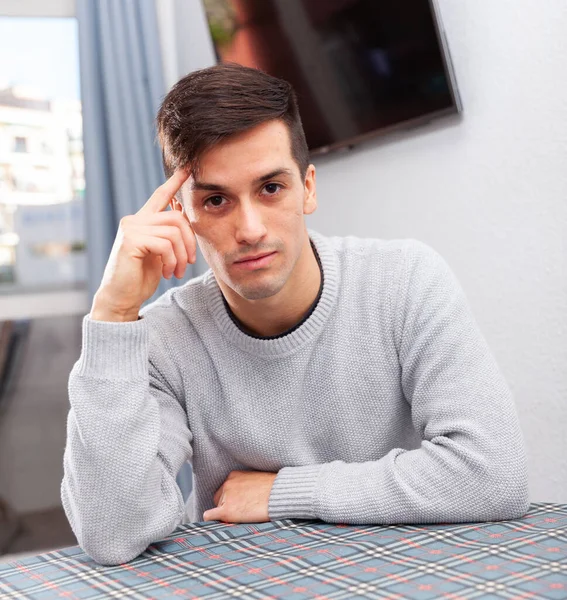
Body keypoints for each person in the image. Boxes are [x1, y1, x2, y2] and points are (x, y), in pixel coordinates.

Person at [61, 63, 529, 566]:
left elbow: (494, 473)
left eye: (270, 188)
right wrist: (112, 314)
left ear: (307, 187)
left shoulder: (405, 281)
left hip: (405, 572)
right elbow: (113, 533)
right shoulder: (162, 339)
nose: (250, 229)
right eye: (216, 200)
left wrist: (286, 492)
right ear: (181, 214)